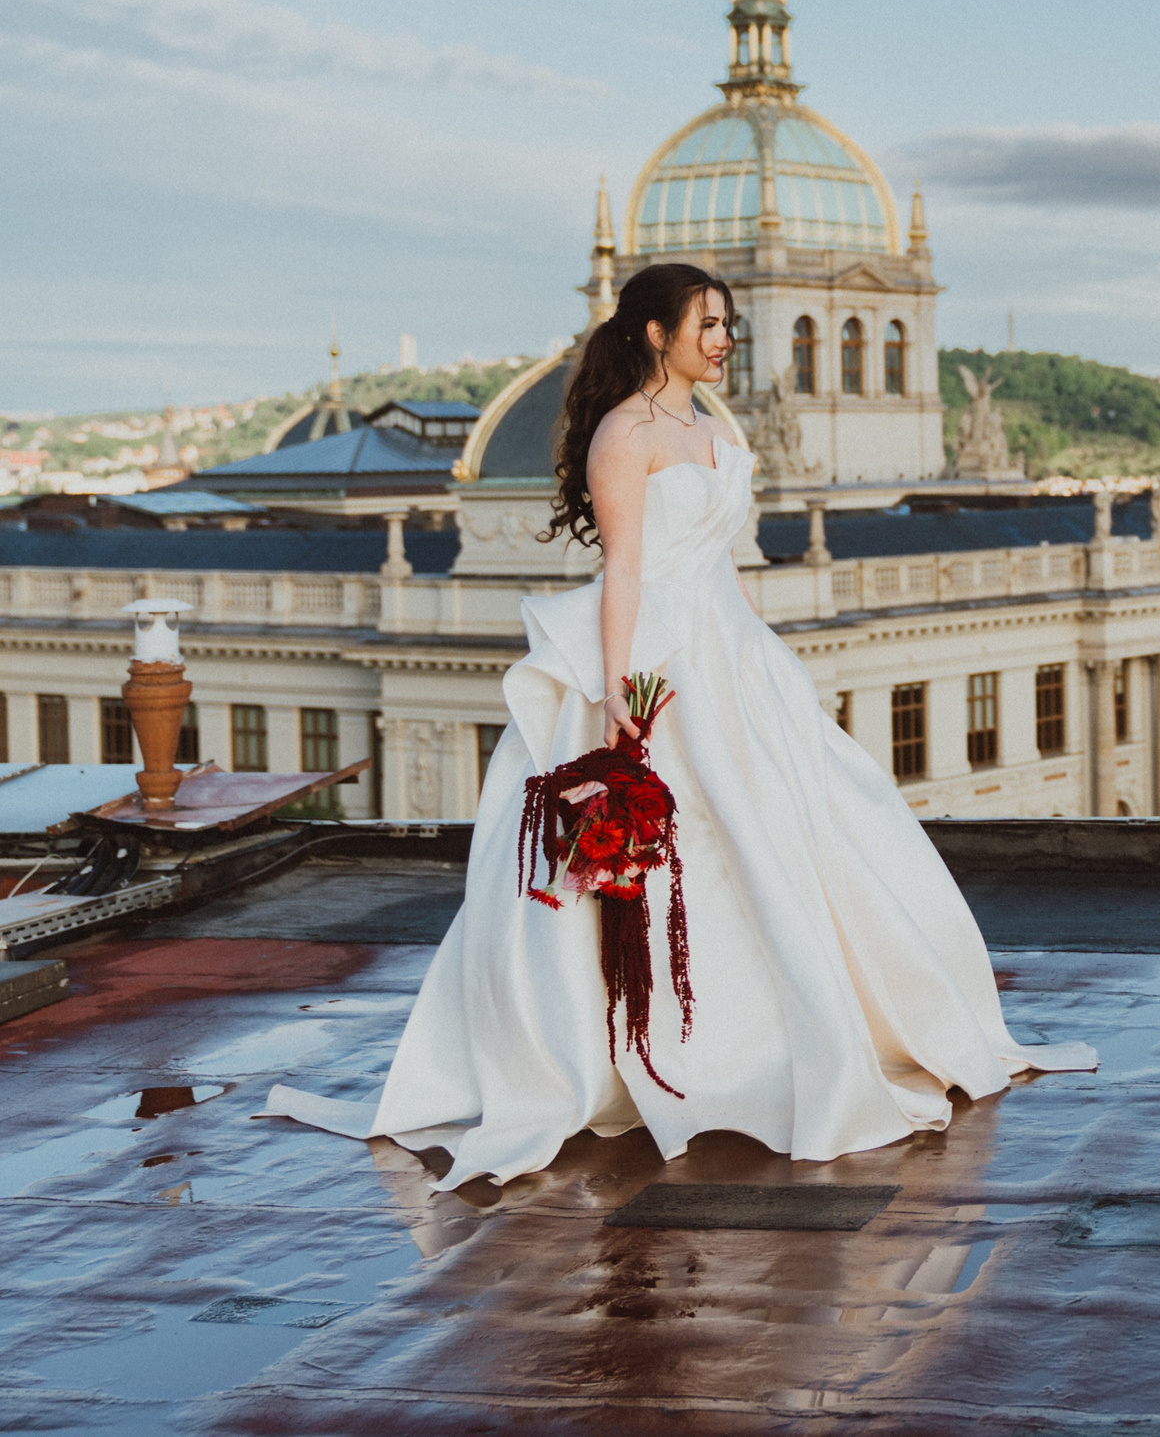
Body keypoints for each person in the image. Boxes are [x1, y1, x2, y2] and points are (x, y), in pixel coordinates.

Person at [266, 263, 1093, 1187]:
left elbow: (722, 561)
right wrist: (620, 688)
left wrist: (758, 650)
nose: (725, 338)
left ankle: (809, 1031)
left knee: (793, 834)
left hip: (731, 654)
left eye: (729, 323)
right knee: (692, 850)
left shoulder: (708, 427)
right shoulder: (623, 433)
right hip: (660, 658)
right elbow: (627, 569)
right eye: (708, 322)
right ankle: (670, 1055)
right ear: (657, 333)